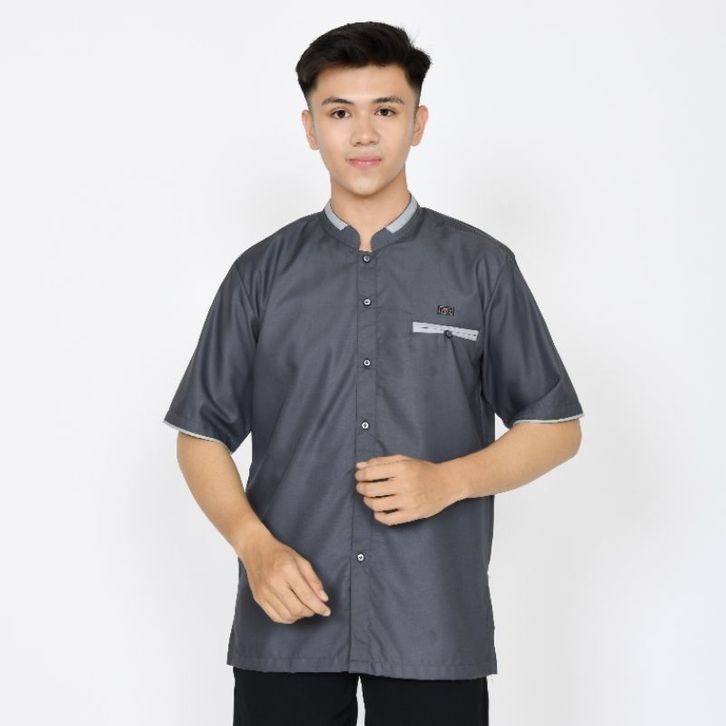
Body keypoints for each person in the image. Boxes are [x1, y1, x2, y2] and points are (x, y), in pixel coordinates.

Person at [162, 20, 584, 726]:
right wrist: (253, 547)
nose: (363, 134)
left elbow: (555, 427)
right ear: (310, 128)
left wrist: (449, 481)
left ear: (418, 123)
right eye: (339, 112)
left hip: (432, 623)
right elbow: (199, 434)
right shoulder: (260, 274)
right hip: (288, 623)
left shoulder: (482, 268)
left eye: (385, 110)